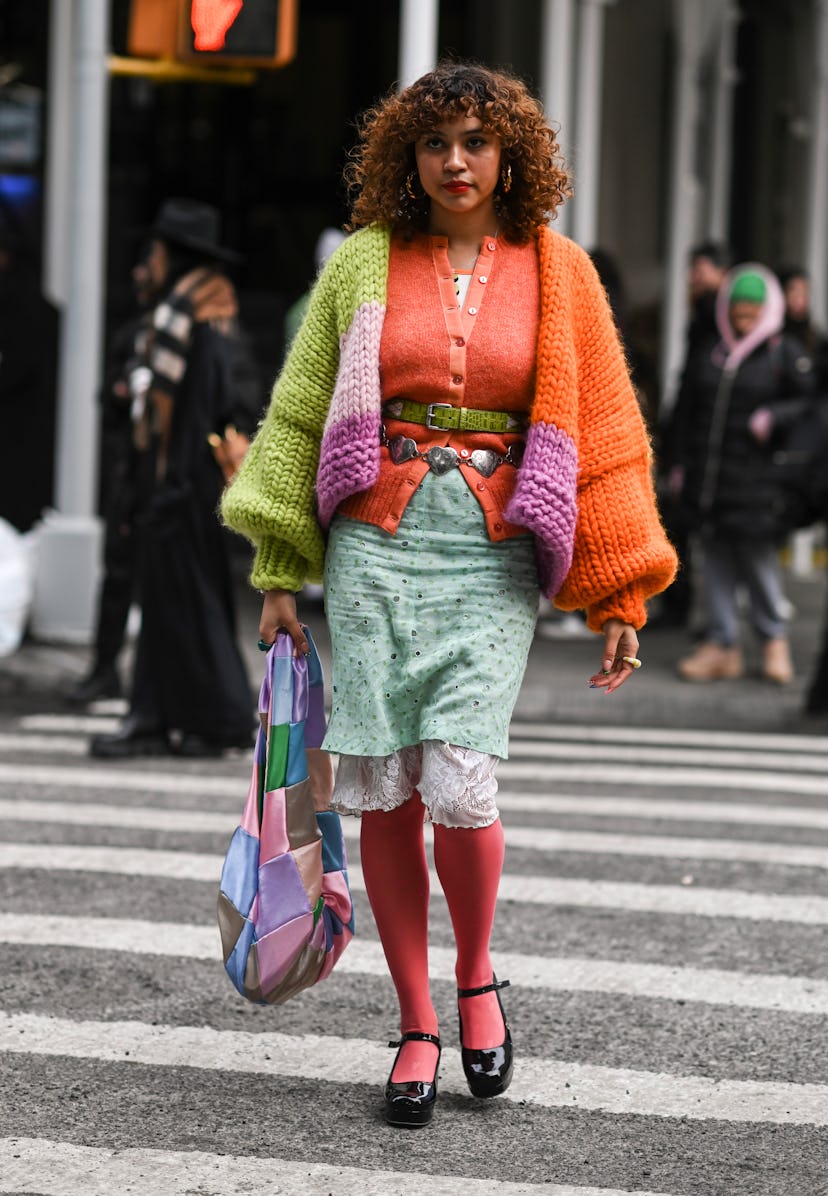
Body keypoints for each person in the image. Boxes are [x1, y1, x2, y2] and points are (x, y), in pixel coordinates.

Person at [221, 61, 677, 1128]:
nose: (457, 160)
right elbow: (296, 416)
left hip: (493, 550)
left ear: (511, 152)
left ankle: (476, 975)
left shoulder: (561, 272)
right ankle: (417, 1017)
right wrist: (280, 569)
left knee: (463, 777)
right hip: (375, 544)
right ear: (406, 156)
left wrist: (622, 591)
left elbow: (607, 441)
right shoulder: (362, 264)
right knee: (383, 780)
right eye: (437, 142)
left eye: (478, 140)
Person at [90, 198, 259, 758]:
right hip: (177, 491)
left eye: (157, 250)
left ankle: (216, 719)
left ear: (175, 256)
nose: (150, 260)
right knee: (173, 608)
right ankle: (162, 717)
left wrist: (172, 491)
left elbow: (201, 415)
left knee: (188, 608)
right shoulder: (188, 315)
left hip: (183, 493)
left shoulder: (196, 321)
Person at [674, 264, 816, 684]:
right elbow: (686, 413)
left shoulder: (783, 353)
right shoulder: (711, 353)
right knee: (714, 559)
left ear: (768, 308)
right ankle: (722, 645)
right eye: (738, 305)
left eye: (754, 306)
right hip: (712, 481)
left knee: (757, 561)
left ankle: (774, 641)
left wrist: (775, 415)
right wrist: (680, 464)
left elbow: (811, 407)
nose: (745, 313)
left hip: (760, 483)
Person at [654, 241, 734, 631]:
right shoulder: (702, 314)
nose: (693, 278)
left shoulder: (719, 316)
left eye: (700, 269)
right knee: (682, 522)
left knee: (692, 525)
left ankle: (698, 613)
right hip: (691, 432)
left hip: (703, 437)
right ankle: (688, 608)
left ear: (721, 272)